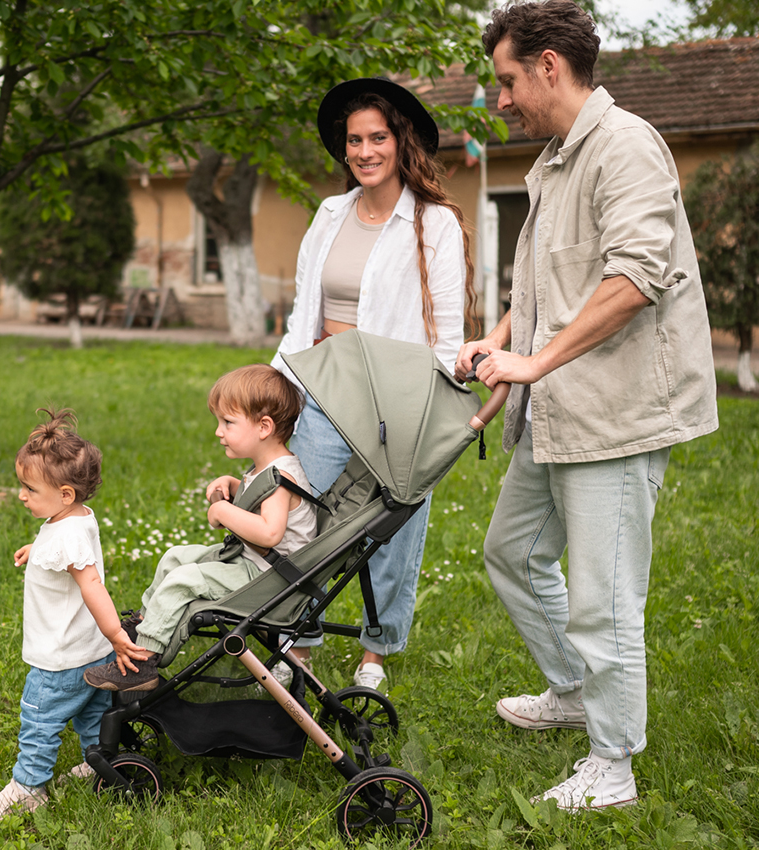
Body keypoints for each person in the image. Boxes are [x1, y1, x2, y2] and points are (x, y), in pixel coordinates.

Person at [455, 0, 718, 811]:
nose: (499, 101)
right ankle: (575, 691)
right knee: (512, 553)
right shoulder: (558, 159)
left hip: (617, 413)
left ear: (547, 66)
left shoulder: (626, 147)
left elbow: (636, 278)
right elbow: (544, 281)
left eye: (505, 82)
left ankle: (614, 767)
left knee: (605, 597)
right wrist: (499, 346)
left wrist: (530, 362)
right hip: (556, 405)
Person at [271, 77, 477, 692]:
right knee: (306, 516)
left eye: (377, 138)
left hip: (397, 402)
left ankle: (375, 655)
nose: (364, 151)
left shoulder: (434, 223)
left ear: (401, 141)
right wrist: (277, 382)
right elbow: (303, 309)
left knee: (393, 526)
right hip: (325, 393)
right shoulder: (330, 213)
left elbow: (445, 332)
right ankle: (299, 644)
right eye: (354, 140)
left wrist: (432, 409)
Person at [83, 364, 317, 692]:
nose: (219, 431)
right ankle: (141, 630)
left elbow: (269, 533)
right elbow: (262, 500)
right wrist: (235, 486)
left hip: (269, 579)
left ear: (264, 427)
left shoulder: (281, 479)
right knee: (175, 558)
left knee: (184, 581)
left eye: (228, 422)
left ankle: (143, 664)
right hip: (255, 564)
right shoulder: (270, 468)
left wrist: (223, 509)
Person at [0, 409, 147, 824]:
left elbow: (91, 583)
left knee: (40, 720)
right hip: (88, 652)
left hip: (59, 658)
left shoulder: (67, 531)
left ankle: (28, 787)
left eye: (29, 489)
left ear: (66, 494)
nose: (22, 495)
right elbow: (69, 552)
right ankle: (101, 761)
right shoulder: (73, 519)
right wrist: (36, 551)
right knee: (91, 711)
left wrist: (116, 634)